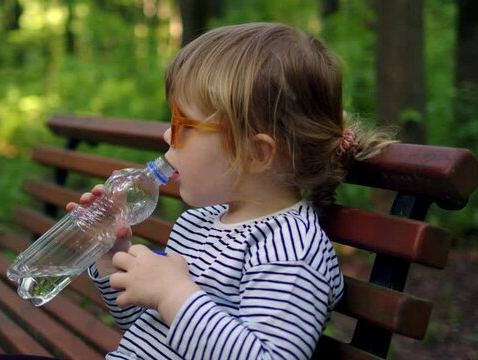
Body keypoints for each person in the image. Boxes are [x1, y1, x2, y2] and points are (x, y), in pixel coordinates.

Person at [69, 22, 394, 360]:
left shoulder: (291, 252)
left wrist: (173, 294)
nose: (168, 135)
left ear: (256, 154)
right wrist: (111, 256)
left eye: (185, 126)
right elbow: (147, 328)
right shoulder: (199, 222)